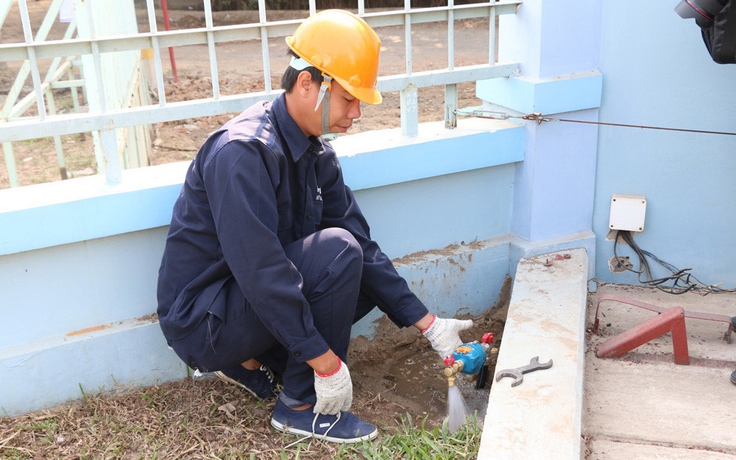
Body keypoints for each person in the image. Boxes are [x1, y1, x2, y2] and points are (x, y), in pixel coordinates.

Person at [156, 9, 472, 444]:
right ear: (308, 83)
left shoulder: (315, 153)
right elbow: (262, 271)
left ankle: (256, 361)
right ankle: (301, 408)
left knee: (355, 262)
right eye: (348, 98)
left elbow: (363, 245)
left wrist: (429, 324)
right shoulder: (244, 154)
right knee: (338, 252)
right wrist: (326, 364)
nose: (357, 112)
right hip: (204, 321)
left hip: (243, 303)